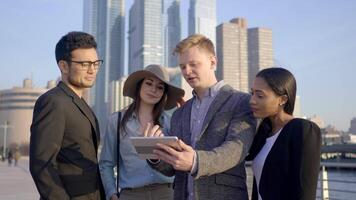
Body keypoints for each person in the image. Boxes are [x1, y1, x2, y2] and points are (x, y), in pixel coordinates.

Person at [148, 34, 256, 200]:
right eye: (183, 66)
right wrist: (156, 155)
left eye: (193, 64)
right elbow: (172, 168)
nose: (187, 72)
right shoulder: (179, 114)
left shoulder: (241, 102)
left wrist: (195, 162)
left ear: (213, 62)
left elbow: (235, 149)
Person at [30, 31, 105, 200]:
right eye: (85, 64)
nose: (92, 70)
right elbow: (42, 165)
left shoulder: (81, 104)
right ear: (63, 66)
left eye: (96, 63)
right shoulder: (53, 102)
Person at [99, 64, 185, 200]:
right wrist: (111, 194)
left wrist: (184, 116)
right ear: (139, 86)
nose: (153, 90)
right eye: (149, 83)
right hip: (131, 194)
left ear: (164, 93)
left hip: (166, 194)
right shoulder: (116, 121)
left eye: (160, 87)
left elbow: (178, 162)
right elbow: (106, 163)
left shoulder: (170, 122)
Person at [247, 67, 321, 200]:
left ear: (283, 99)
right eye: (252, 93)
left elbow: (305, 191)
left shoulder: (303, 130)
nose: (252, 100)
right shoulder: (264, 133)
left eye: (260, 95)